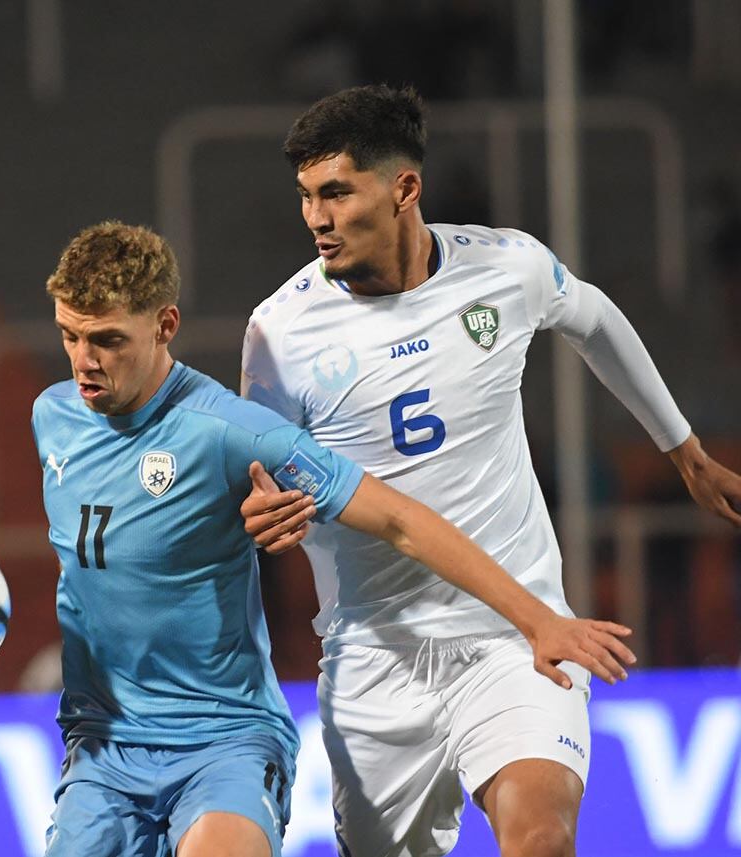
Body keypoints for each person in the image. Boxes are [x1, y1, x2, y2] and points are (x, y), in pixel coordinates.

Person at [240, 84, 741, 857]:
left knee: (540, 837)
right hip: (375, 654)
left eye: (336, 192)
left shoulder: (504, 267)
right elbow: (264, 471)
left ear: (404, 187)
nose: (316, 217)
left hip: (518, 630)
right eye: (307, 196)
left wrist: (683, 448)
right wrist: (267, 509)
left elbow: (595, 318)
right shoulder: (279, 330)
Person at [34, 221, 635, 857]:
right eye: (69, 336)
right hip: (101, 747)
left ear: (164, 326)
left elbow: (399, 519)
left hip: (222, 742)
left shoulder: (234, 432)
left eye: (106, 340)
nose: (84, 362)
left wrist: (538, 620)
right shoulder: (53, 417)